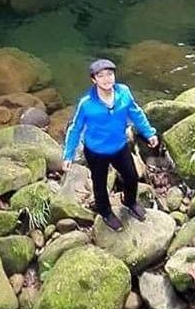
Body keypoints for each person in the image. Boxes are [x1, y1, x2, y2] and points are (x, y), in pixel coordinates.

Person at [61, 58, 159, 231]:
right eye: (101, 76)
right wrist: (68, 155)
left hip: (119, 147)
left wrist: (149, 133)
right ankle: (105, 212)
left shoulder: (124, 93)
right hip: (95, 151)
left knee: (131, 176)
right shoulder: (87, 104)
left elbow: (136, 114)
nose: (107, 79)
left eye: (110, 74)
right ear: (94, 80)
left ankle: (129, 201)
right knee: (100, 183)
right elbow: (75, 129)